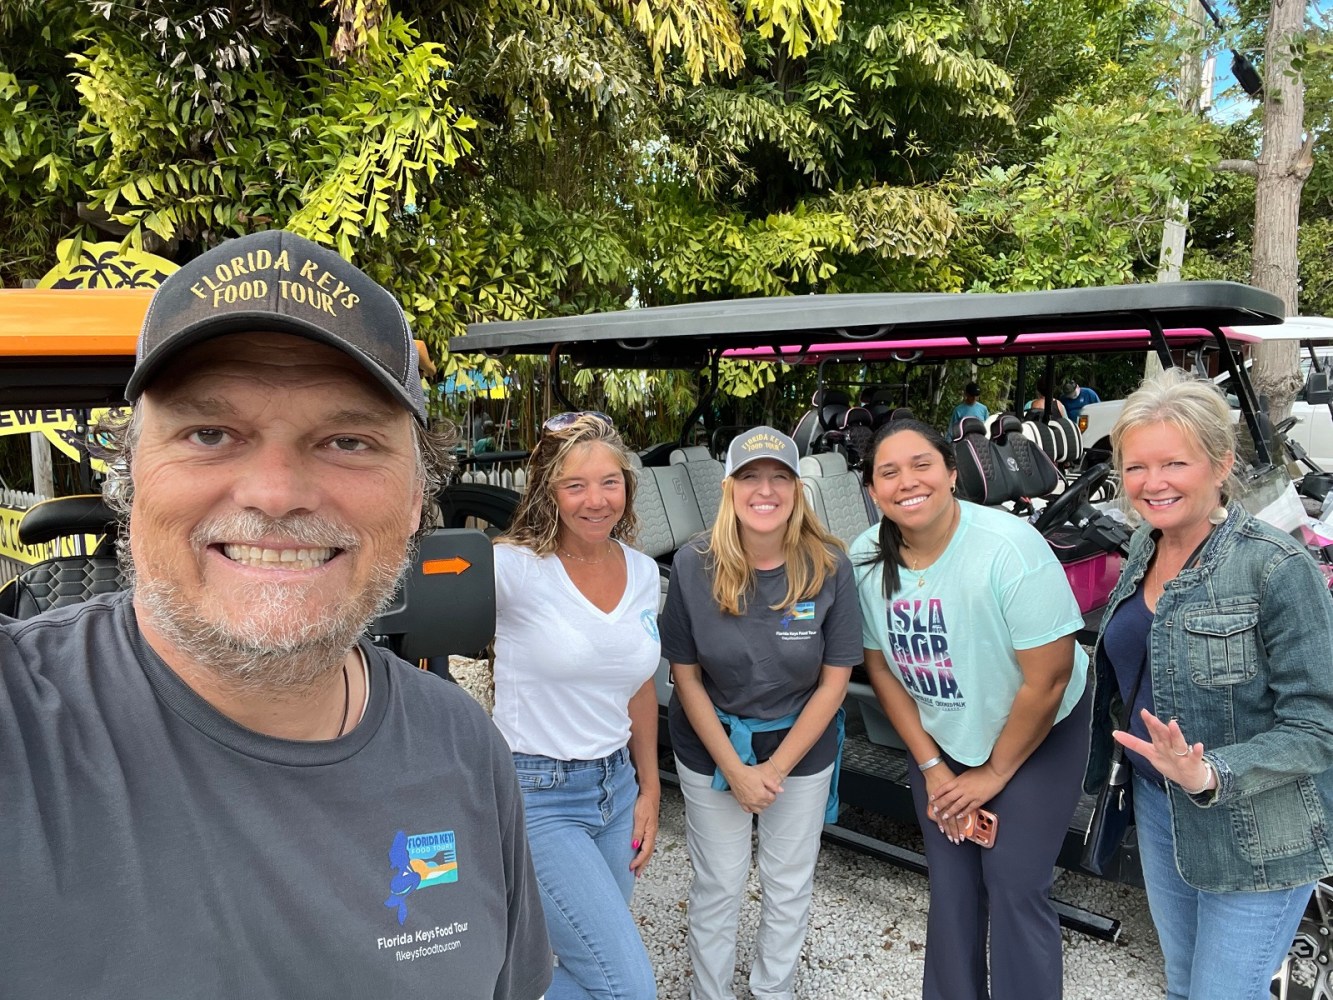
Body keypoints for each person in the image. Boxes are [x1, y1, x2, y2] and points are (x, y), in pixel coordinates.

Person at [0, 230, 551, 998]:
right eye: (210, 433)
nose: (274, 491)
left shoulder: (463, 748)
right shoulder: (21, 724)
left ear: (419, 496)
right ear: (131, 477)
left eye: (347, 440)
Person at [1084, 367, 1333, 1000]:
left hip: (1260, 827)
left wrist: (1209, 773)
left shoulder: (1276, 567)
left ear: (1221, 465)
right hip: (1160, 805)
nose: (1152, 483)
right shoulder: (1145, 545)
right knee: (1181, 984)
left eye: (1174, 463)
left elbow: (1318, 727)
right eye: (1136, 467)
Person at [851, 418, 1090, 1000]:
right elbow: (881, 668)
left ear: (952, 473)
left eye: (922, 465)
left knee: (1013, 882)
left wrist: (992, 773)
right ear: (874, 490)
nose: (908, 481)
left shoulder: (1008, 547)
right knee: (953, 885)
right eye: (889, 472)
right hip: (942, 737)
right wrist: (934, 766)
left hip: (1037, 729)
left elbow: (1049, 678)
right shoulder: (864, 557)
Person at [660, 426, 862, 1000]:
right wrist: (737, 768)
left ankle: (774, 990)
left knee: (787, 883)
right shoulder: (694, 564)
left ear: (797, 490)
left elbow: (834, 681)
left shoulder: (829, 567)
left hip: (800, 745)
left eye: (779, 477)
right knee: (720, 883)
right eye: (750, 476)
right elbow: (686, 677)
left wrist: (771, 772)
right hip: (711, 741)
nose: (765, 490)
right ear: (729, 487)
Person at [491, 411, 660, 1000]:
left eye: (610, 482)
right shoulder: (512, 568)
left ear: (627, 488)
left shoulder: (642, 572)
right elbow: (424, 618)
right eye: (576, 485)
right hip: (539, 794)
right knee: (628, 987)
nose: (596, 499)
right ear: (549, 493)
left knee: (592, 972)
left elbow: (637, 684)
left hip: (616, 792)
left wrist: (650, 790)